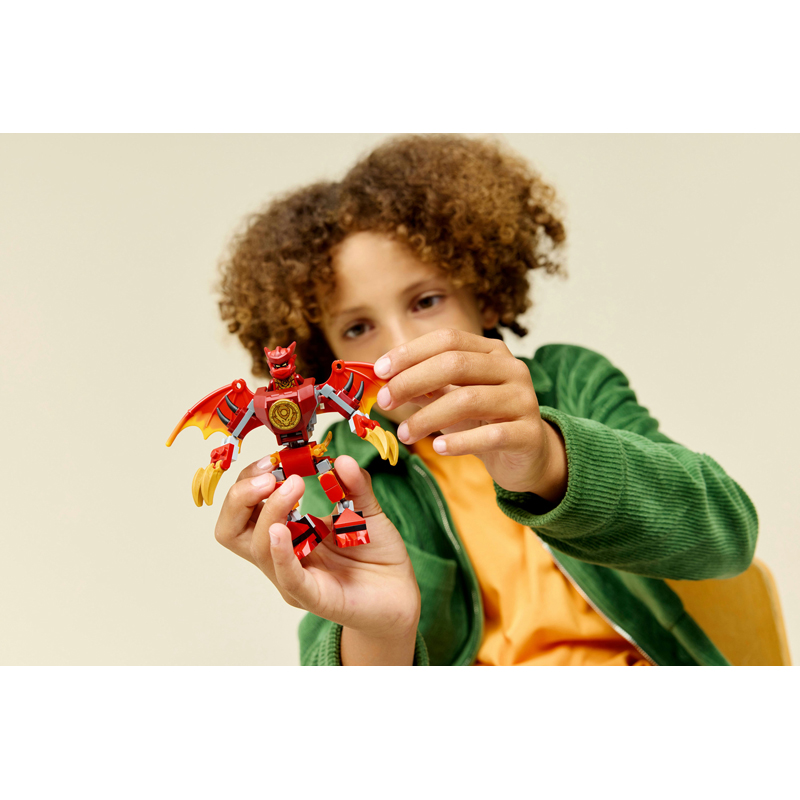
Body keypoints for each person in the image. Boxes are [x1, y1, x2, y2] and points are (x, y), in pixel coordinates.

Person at [212, 134, 758, 666]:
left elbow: (728, 539)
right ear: (321, 354)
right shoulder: (338, 469)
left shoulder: (573, 382)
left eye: (426, 300)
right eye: (357, 328)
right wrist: (379, 632)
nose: (400, 347)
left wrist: (549, 459)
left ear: (484, 292)